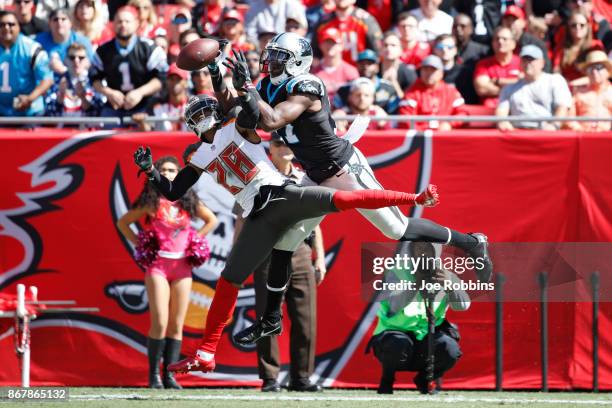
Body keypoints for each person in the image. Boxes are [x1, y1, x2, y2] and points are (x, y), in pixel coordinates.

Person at [134, 92, 441, 375]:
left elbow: (251, 109)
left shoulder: (236, 127)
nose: (202, 118)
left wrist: (237, 82)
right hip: (258, 215)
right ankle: (207, 352)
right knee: (229, 279)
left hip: (282, 195)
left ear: (215, 111)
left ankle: (412, 199)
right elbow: (173, 192)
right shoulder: (200, 154)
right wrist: (152, 172)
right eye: (196, 114)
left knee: (346, 198)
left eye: (204, 111)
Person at [229, 34, 492, 344]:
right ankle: (271, 320)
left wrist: (247, 89)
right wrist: (225, 82)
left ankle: (471, 242)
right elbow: (245, 120)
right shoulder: (267, 87)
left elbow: (272, 121)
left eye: (278, 56)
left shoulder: (308, 86)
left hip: (343, 169)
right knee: (284, 245)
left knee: (397, 229)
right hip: (314, 176)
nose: (270, 61)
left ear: (297, 62)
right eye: (271, 55)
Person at [116, 156, 217, 389]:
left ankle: (170, 375)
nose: (169, 173)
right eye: (164, 170)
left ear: (180, 173)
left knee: (176, 324)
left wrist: (195, 240)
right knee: (160, 321)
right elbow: (123, 223)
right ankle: (154, 376)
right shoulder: (151, 201)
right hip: (158, 267)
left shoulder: (188, 200)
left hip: (183, 267)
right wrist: (140, 244)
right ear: (157, 174)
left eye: (173, 170)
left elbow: (210, 220)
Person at [236, 134, 326, 393]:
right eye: (279, 143)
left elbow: (315, 222)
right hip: (265, 253)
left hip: (299, 252)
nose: (284, 147)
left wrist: (318, 257)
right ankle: (270, 378)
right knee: (267, 318)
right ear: (270, 149)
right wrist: (238, 257)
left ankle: (301, 378)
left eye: (288, 144)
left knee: (305, 319)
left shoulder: (305, 178)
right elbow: (242, 222)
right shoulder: (256, 177)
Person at [368, 242, 468, 394]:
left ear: (436, 251)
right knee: (397, 343)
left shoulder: (446, 275)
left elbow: (463, 306)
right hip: (394, 336)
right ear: (411, 250)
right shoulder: (396, 272)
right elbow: (394, 305)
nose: (422, 252)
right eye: (418, 248)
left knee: (450, 350)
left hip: (428, 336)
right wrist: (416, 284)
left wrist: (450, 287)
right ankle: (387, 380)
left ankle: (424, 380)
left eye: (428, 248)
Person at [90, 6, 167, 121]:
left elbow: (160, 79)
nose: (123, 25)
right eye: (120, 21)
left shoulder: (149, 49)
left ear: (136, 23)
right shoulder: (103, 50)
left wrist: (140, 93)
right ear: (113, 24)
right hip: (114, 106)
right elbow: (94, 78)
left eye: (127, 21)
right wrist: (109, 93)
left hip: (144, 106)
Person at [496, 45, 572, 131]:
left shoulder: (555, 81)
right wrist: (503, 123)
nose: (528, 63)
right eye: (524, 60)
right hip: (518, 133)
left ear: (542, 63)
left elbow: (562, 107)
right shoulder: (509, 88)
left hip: (546, 133)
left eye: (532, 59)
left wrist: (554, 126)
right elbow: (501, 112)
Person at [0, 10, 53, 117]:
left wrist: (30, 99)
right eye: (1, 24)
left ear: (19, 27)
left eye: (11, 24)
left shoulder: (32, 48)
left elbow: (47, 79)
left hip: (29, 113)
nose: (6, 28)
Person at [399, 55, 467, 130]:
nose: (428, 73)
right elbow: (405, 117)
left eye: (433, 70)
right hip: (420, 137)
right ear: (420, 72)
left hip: (445, 136)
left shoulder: (451, 92)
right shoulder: (412, 92)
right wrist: (424, 129)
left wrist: (449, 124)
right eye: (425, 69)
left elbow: (462, 114)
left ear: (441, 73)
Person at [44, 42, 104, 119]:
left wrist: (83, 98)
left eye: (81, 58)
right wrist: (60, 96)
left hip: (87, 129)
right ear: (65, 60)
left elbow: (98, 114)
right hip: (62, 129)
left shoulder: (95, 81)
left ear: (87, 61)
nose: (76, 61)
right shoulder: (57, 80)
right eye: (72, 57)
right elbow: (49, 115)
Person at [312, 0, 382, 65]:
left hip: (359, 72)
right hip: (332, 73)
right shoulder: (323, 22)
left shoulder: (365, 20)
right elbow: (315, 54)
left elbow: (378, 51)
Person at [334, 49, 401, 113]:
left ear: (377, 67)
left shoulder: (388, 88)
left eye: (369, 63)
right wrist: (341, 112)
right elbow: (334, 110)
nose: (365, 66)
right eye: (362, 63)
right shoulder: (345, 89)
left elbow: (395, 114)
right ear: (356, 66)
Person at [35, 8, 94, 75]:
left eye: (63, 19)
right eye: (55, 19)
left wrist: (65, 71)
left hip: (74, 82)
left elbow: (91, 67)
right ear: (49, 23)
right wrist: (48, 65)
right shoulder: (38, 41)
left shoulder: (83, 42)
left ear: (70, 23)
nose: (59, 22)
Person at [132, 63, 190, 131]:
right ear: (166, 81)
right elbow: (148, 130)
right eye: (171, 79)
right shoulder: (155, 104)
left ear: (186, 83)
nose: (174, 82)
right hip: (164, 141)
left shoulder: (194, 104)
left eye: (178, 79)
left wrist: (193, 121)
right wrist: (142, 122)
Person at [473, 26, 521, 108]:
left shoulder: (521, 63)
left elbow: (526, 85)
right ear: (492, 43)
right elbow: (482, 89)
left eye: (504, 39)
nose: (500, 41)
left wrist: (498, 81)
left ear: (513, 44)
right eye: (497, 39)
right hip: (490, 111)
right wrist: (514, 85)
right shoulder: (483, 64)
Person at [312, 27, 359, 105]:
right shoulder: (313, 72)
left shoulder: (351, 71)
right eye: (326, 42)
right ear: (320, 45)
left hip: (344, 114)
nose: (330, 46)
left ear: (341, 46)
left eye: (333, 43)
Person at [553, 10, 603, 83]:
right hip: (566, 87)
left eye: (582, 25)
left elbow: (601, 72)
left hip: (590, 86)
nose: (578, 28)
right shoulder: (562, 47)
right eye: (574, 25)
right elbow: (556, 71)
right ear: (569, 28)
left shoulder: (596, 46)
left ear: (587, 27)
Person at [567, 49, 611, 131]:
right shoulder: (577, 92)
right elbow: (569, 119)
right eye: (590, 68)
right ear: (586, 73)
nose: (594, 72)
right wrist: (582, 130)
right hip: (583, 138)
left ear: (607, 71)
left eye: (599, 68)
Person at [500, 5, 551, 72]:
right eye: (507, 20)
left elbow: (546, 69)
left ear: (523, 23)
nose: (510, 23)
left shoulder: (536, 44)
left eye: (514, 20)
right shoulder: (498, 42)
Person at [432, 34, 480, 105]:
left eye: (449, 47)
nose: (445, 50)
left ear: (455, 50)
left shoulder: (464, 73)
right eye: (440, 47)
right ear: (434, 50)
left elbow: (470, 100)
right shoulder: (428, 72)